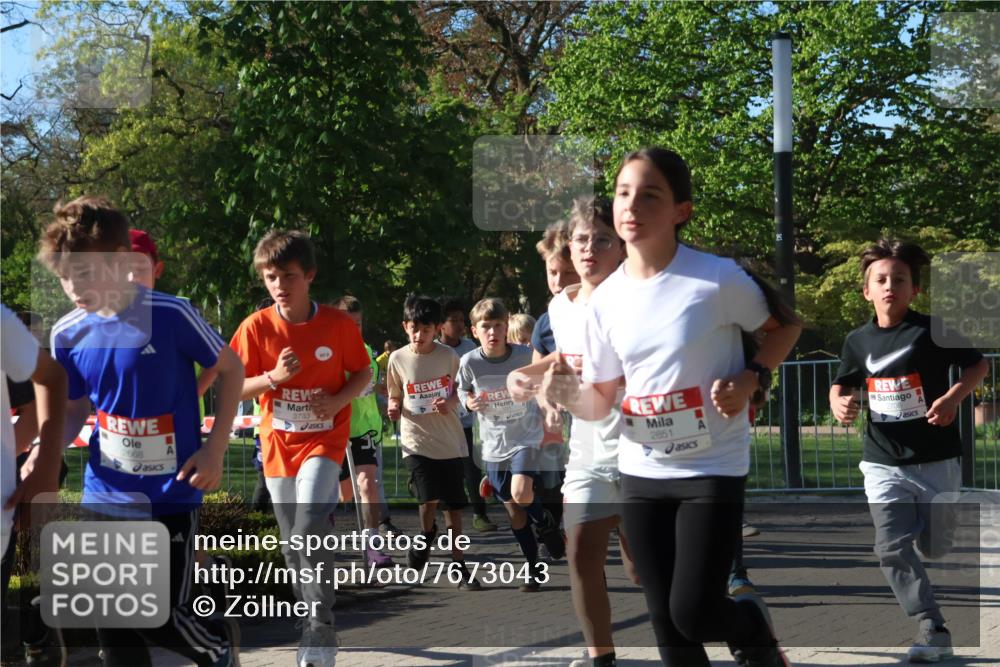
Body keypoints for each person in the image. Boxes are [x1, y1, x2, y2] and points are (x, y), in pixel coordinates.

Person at [539, 148, 801, 667]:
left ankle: (750, 626)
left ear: (681, 209)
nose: (631, 205)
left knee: (694, 611)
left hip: (710, 464)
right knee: (667, 626)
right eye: (622, 193)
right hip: (640, 467)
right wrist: (562, 394)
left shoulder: (716, 279)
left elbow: (785, 328)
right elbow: (600, 402)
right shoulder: (605, 301)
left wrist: (753, 377)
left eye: (649, 194)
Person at [40, 196, 244, 667]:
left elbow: (232, 370)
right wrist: (44, 451)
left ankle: (217, 649)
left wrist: (215, 450)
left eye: (85, 274)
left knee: (158, 616)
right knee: (111, 621)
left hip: (171, 491)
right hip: (106, 489)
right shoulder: (67, 333)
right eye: (63, 277)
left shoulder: (171, 314)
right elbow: (75, 407)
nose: (72, 288)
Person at [829, 238, 988, 663]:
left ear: (914, 288)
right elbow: (842, 382)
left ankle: (926, 544)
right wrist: (837, 400)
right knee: (890, 547)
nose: (889, 286)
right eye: (880, 279)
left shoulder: (930, 330)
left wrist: (955, 398)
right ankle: (932, 626)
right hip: (882, 460)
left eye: (899, 279)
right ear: (867, 290)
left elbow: (978, 364)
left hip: (936, 458)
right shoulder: (857, 341)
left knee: (936, 547)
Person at [229, 230, 371, 667]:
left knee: (310, 519)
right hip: (276, 443)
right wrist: (271, 378)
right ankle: (310, 613)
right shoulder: (256, 327)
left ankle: (320, 626)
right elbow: (232, 385)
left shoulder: (338, 325)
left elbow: (363, 374)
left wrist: (337, 400)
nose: (279, 285)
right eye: (271, 277)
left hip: (324, 438)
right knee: (293, 541)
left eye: (288, 275)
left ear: (308, 275)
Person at [510, 196, 634, 667]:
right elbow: (565, 358)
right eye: (581, 239)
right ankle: (601, 657)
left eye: (602, 239)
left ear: (622, 246)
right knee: (580, 552)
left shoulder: (639, 297)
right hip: (588, 450)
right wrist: (530, 376)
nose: (589, 249)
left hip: (643, 448)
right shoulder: (560, 306)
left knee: (641, 572)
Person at [458, 298, 562, 591]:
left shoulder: (525, 355)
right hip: (493, 445)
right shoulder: (470, 362)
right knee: (515, 513)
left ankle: (544, 522)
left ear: (507, 326)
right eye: (486, 327)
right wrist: (468, 401)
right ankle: (533, 569)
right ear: (475, 331)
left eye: (498, 326)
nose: (493, 332)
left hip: (526, 437)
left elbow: (545, 378)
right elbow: (461, 391)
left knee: (521, 491)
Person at [385, 296, 481, 589]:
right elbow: (395, 393)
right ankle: (426, 536)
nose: (419, 335)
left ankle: (460, 563)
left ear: (437, 329)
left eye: (426, 329)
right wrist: (393, 406)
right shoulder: (397, 359)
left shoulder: (449, 357)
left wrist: (450, 402)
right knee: (427, 501)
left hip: (449, 441)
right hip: (416, 441)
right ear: (405, 327)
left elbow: (462, 392)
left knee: (453, 508)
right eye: (414, 328)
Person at [332, 296, 393, 567]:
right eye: (348, 323)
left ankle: (372, 545)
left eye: (358, 323)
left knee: (367, 485)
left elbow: (370, 382)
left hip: (364, 430)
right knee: (344, 494)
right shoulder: (326, 352)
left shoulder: (366, 350)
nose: (354, 328)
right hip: (336, 430)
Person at [530, 223, 579, 556]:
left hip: (615, 420)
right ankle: (561, 531)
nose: (558, 282)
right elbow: (536, 373)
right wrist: (546, 405)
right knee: (555, 480)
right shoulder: (548, 320)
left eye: (566, 272)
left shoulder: (608, 305)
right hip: (567, 424)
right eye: (552, 272)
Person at [440, 298, 497, 532]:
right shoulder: (435, 350)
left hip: (467, 419)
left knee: (472, 468)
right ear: (440, 325)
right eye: (453, 320)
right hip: (441, 422)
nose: (459, 324)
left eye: (462, 320)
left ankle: (479, 514)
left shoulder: (470, 348)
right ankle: (446, 516)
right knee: (445, 470)